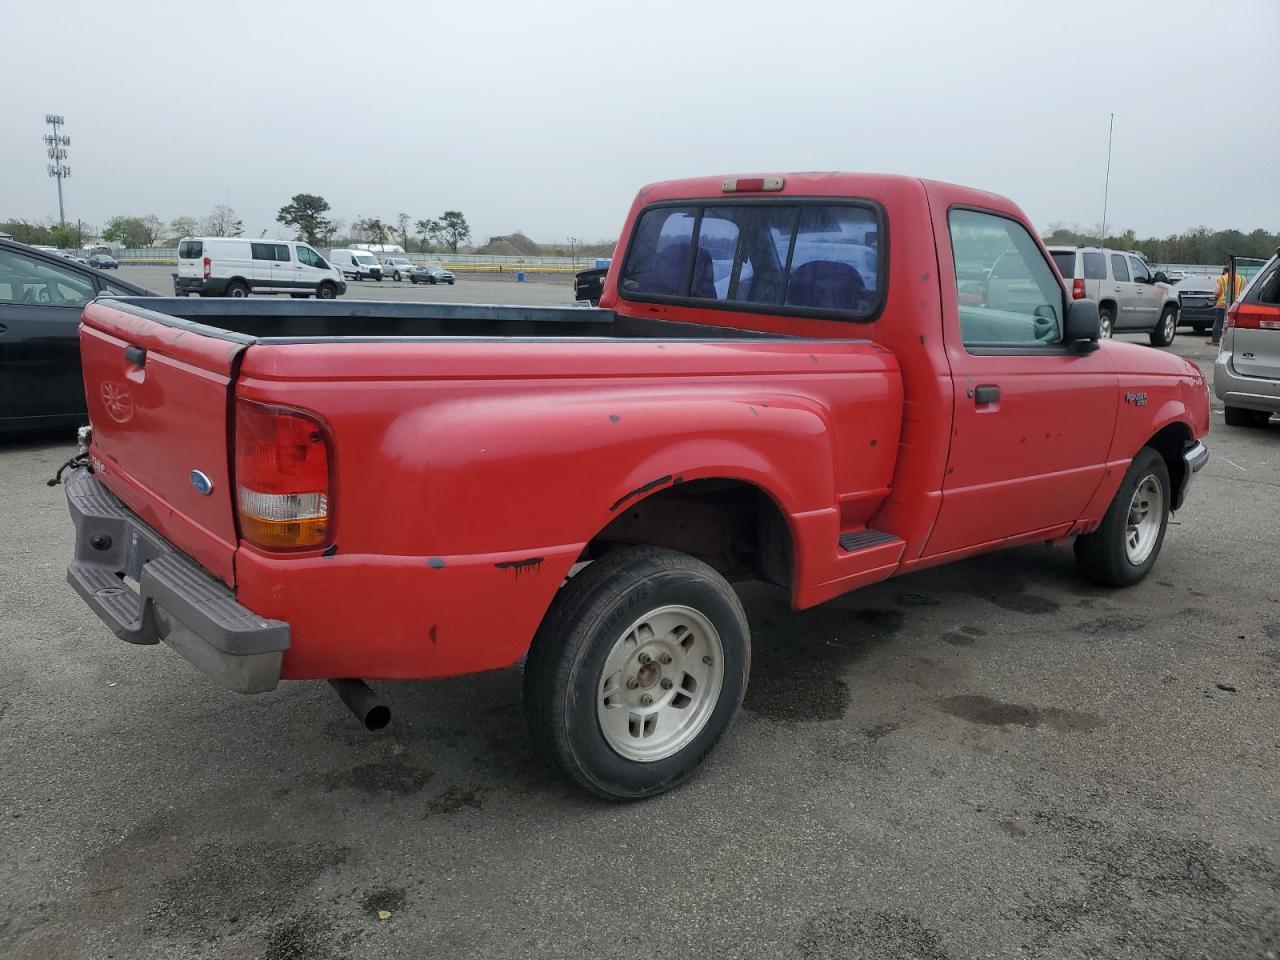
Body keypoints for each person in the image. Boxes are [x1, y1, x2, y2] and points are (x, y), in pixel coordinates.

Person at [1208, 266, 1246, 345]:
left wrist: (1217, 296)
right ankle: (1234, 341)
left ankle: (1215, 340)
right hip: (1236, 305)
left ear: (1225, 272)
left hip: (1223, 304)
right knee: (1234, 323)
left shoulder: (1222, 279)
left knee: (1219, 322)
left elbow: (1216, 291)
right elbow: (1244, 290)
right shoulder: (1242, 279)